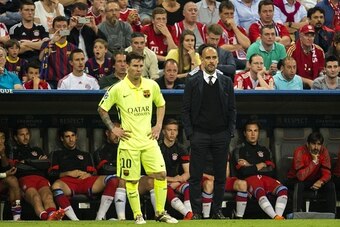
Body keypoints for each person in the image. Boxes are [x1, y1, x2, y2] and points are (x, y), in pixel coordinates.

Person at [98, 51, 178, 224]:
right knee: (132, 180)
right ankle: (137, 215)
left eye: (141, 66)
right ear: (126, 66)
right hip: (129, 143)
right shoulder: (117, 89)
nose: (138, 69)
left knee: (161, 174)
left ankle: (160, 213)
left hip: (149, 141)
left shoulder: (151, 85)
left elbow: (161, 104)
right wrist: (114, 128)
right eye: (135, 65)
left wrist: (158, 125)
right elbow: (102, 109)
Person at [182, 44, 236, 219]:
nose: (211, 61)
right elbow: (185, 110)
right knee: (196, 176)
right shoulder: (192, 81)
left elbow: (232, 109)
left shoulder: (226, 81)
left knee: (221, 176)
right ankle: (197, 212)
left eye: (214, 58)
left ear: (218, 60)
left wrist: (229, 133)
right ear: (202, 60)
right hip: (199, 135)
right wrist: (191, 134)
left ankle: (216, 211)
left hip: (221, 134)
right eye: (208, 58)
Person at [49, 125, 120, 221]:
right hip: (68, 182)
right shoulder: (56, 154)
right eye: (67, 136)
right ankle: (75, 220)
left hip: (86, 181)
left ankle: (100, 217)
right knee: (55, 186)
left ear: (77, 137)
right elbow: (51, 174)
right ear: (62, 139)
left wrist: (89, 174)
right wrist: (67, 173)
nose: (71, 139)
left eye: (73, 135)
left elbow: (94, 172)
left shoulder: (86, 155)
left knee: (113, 179)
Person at [93, 122, 159, 220]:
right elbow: (104, 169)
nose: (118, 135)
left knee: (151, 182)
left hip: (133, 178)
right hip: (115, 181)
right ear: (107, 133)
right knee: (121, 179)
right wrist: (125, 172)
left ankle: (158, 215)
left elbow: (140, 165)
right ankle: (121, 219)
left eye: (121, 131)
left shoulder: (130, 146)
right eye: (114, 132)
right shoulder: (101, 151)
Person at [231, 118, 288, 220]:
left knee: (283, 189)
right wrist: (260, 165)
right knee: (259, 191)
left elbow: (272, 171)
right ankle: (275, 217)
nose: (253, 134)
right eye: (249, 131)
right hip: (250, 180)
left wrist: (250, 165)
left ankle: (279, 215)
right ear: (244, 133)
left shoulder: (265, 150)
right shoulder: (239, 150)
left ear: (258, 133)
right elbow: (243, 172)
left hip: (266, 179)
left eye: (255, 131)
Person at [11, 125, 64, 220]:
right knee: (35, 197)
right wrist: (36, 163)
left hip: (41, 178)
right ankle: (47, 218)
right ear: (16, 137)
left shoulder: (37, 150)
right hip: (25, 179)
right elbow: (18, 167)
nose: (25, 137)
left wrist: (26, 162)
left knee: (48, 196)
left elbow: (46, 164)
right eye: (22, 135)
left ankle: (52, 216)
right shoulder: (13, 151)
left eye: (27, 134)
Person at [287, 132, 336, 214]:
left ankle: (332, 215)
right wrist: (314, 162)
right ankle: (296, 214)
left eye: (319, 144)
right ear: (307, 144)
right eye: (313, 144)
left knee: (330, 185)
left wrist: (321, 181)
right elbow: (301, 176)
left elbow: (327, 173)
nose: (316, 147)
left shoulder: (324, 151)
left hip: (314, 180)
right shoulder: (299, 151)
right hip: (296, 179)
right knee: (299, 184)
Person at [159, 118, 192, 220]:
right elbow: (153, 173)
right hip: (161, 180)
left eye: (175, 130)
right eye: (169, 130)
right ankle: (187, 213)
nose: (172, 133)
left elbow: (188, 172)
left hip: (177, 181)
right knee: (165, 188)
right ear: (164, 131)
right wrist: (173, 180)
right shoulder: (156, 148)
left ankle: (188, 215)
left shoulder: (181, 148)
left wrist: (178, 180)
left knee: (188, 187)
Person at [202, 152, 248, 219]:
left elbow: (226, 174)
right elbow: (194, 171)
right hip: (204, 178)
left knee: (242, 184)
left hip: (219, 179)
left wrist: (218, 178)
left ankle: (239, 217)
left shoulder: (223, 149)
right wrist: (210, 177)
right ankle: (206, 217)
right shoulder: (199, 148)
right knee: (209, 184)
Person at [39, 16, 77, 88]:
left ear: (68, 29)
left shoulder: (73, 47)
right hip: (51, 82)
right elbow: (41, 58)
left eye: (64, 26)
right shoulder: (47, 44)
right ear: (53, 29)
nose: (62, 29)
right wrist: (52, 42)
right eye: (58, 26)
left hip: (69, 82)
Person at [287, 24, 325, 89]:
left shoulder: (319, 51)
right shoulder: (292, 50)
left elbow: (322, 72)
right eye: (306, 35)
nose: (309, 38)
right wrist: (307, 81)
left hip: (315, 85)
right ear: (300, 36)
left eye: (312, 36)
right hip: (295, 85)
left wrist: (317, 83)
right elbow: (288, 74)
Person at [217, 1, 250, 70]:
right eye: (226, 14)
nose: (229, 16)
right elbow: (221, 48)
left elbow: (247, 44)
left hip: (241, 58)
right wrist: (239, 46)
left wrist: (234, 27)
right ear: (220, 14)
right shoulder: (217, 28)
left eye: (231, 14)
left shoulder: (238, 29)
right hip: (225, 60)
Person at [0, 127, 22, 221]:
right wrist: (5, 174)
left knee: (13, 180)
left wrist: (2, 153)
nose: (0, 140)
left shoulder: (6, 148)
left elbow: (6, 167)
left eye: (3, 137)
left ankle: (16, 218)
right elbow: (5, 173)